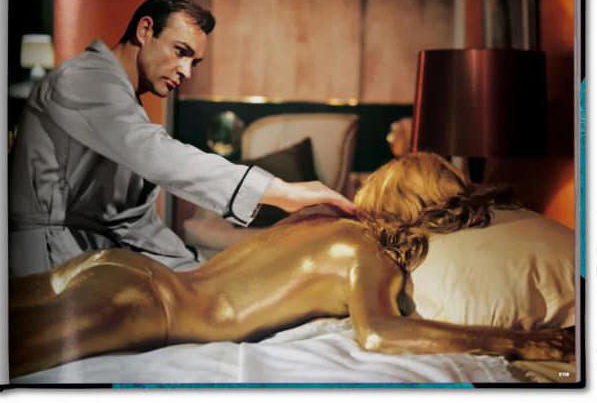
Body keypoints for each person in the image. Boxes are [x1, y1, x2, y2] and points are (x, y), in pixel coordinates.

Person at [9, 152, 575, 378]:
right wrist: (524, 341)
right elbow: (380, 334)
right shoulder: (366, 252)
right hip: (144, 306)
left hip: (118, 270)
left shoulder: (315, 220)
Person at [8, 0, 354, 277]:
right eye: (180, 51)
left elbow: (133, 223)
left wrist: (201, 275)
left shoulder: (124, 105)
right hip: (43, 266)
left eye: (195, 62)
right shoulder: (84, 79)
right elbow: (159, 155)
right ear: (145, 30)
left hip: (92, 262)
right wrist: (280, 191)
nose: (186, 71)